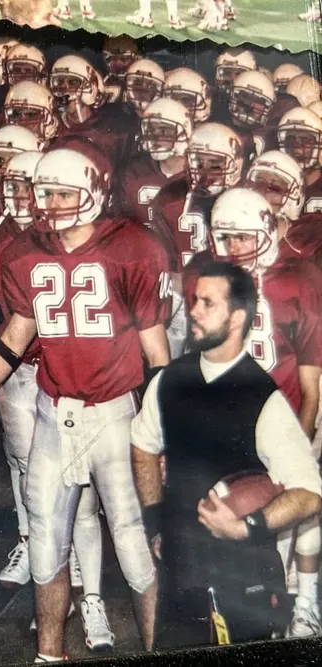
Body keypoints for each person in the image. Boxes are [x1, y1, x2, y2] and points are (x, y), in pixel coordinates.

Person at [0, 148, 171, 662]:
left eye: (61, 193)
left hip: (117, 417)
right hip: (53, 413)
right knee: (47, 546)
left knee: (136, 550)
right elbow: (14, 337)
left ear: (93, 192)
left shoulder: (133, 247)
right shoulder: (25, 252)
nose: (49, 204)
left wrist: (167, 433)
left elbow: (156, 351)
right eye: (42, 193)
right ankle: (50, 655)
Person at [131, 260, 322, 646]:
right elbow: (142, 446)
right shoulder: (169, 380)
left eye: (207, 304)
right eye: (194, 300)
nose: (193, 311)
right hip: (182, 569)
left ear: (237, 318)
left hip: (242, 576)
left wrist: (244, 527)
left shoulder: (263, 398)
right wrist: (155, 521)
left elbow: (310, 492)